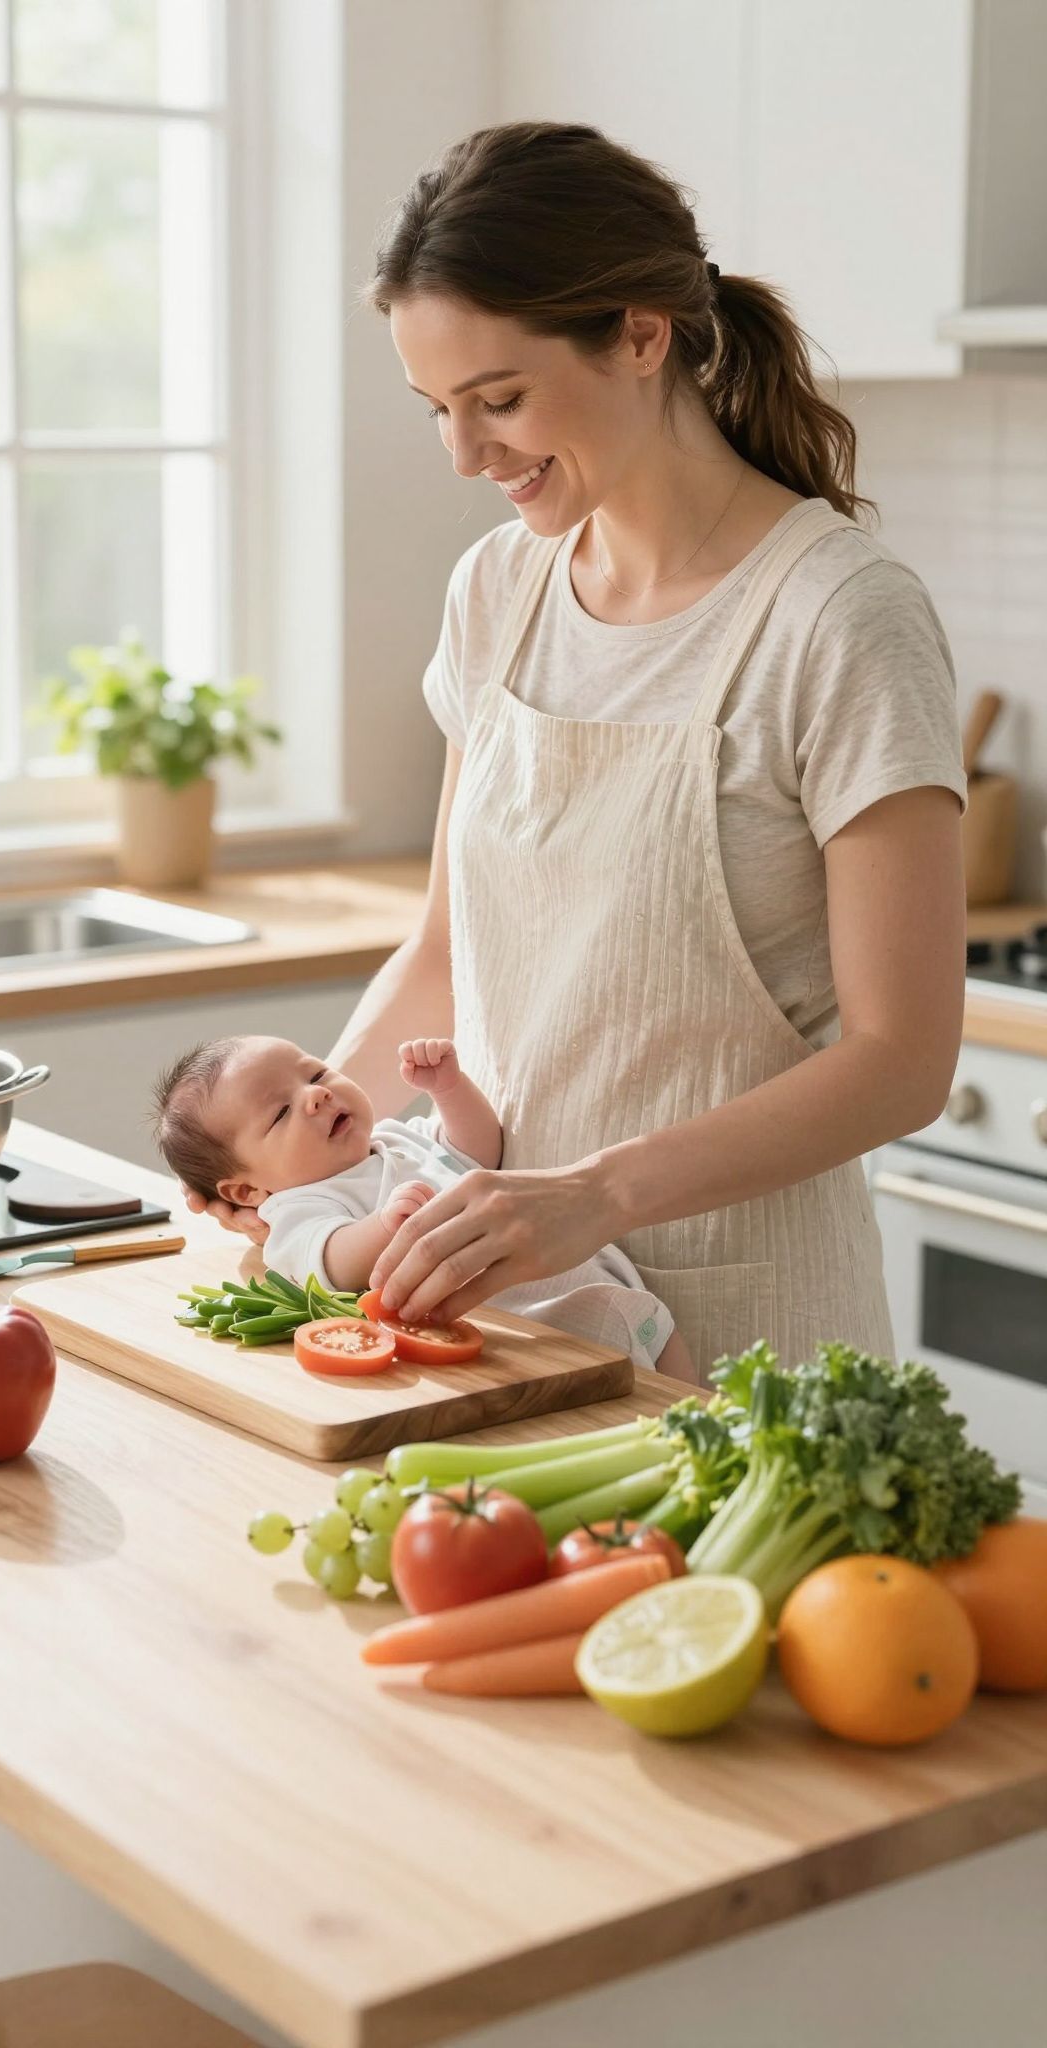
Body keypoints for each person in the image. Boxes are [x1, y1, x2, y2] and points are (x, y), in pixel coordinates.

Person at [183, 120, 967, 1384]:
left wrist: (594, 1194)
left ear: (640, 332)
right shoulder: (500, 590)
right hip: (504, 1328)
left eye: (498, 398)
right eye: (439, 406)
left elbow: (902, 1061)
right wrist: (303, 1198)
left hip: (749, 1329)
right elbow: (446, 954)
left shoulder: (837, 617)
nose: (465, 452)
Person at [154, 1031, 694, 1376]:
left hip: (607, 1283)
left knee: (684, 1391)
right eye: (280, 1114)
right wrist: (384, 1227)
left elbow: (478, 1151)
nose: (315, 1095)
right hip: (538, 1326)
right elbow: (331, 1265)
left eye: (315, 1073)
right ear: (247, 1193)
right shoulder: (295, 1209)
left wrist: (449, 1089)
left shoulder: (397, 1137)